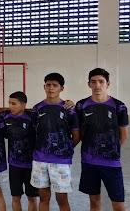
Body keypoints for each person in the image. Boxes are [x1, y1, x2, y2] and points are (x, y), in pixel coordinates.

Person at [76, 68, 128, 211]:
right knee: (94, 202)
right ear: (89, 84)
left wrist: (112, 151)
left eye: (101, 81)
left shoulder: (119, 106)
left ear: (108, 84)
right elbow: (79, 133)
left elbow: (123, 135)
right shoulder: (81, 106)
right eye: (93, 82)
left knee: (118, 205)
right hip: (89, 162)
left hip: (112, 163)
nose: (97, 85)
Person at [31, 73, 80, 211]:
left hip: (61, 161)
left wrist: (66, 148)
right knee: (43, 197)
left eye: (55, 85)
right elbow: (34, 131)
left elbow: (76, 135)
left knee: (62, 198)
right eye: (48, 85)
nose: (51, 88)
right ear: (44, 87)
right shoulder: (37, 108)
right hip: (40, 159)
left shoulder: (69, 109)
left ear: (61, 88)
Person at [3, 91, 39, 211]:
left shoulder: (32, 118)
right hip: (14, 165)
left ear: (23, 105)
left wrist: (69, 103)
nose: (10, 106)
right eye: (9, 103)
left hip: (31, 165)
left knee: (32, 198)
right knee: (15, 197)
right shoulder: (5, 116)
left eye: (14, 103)